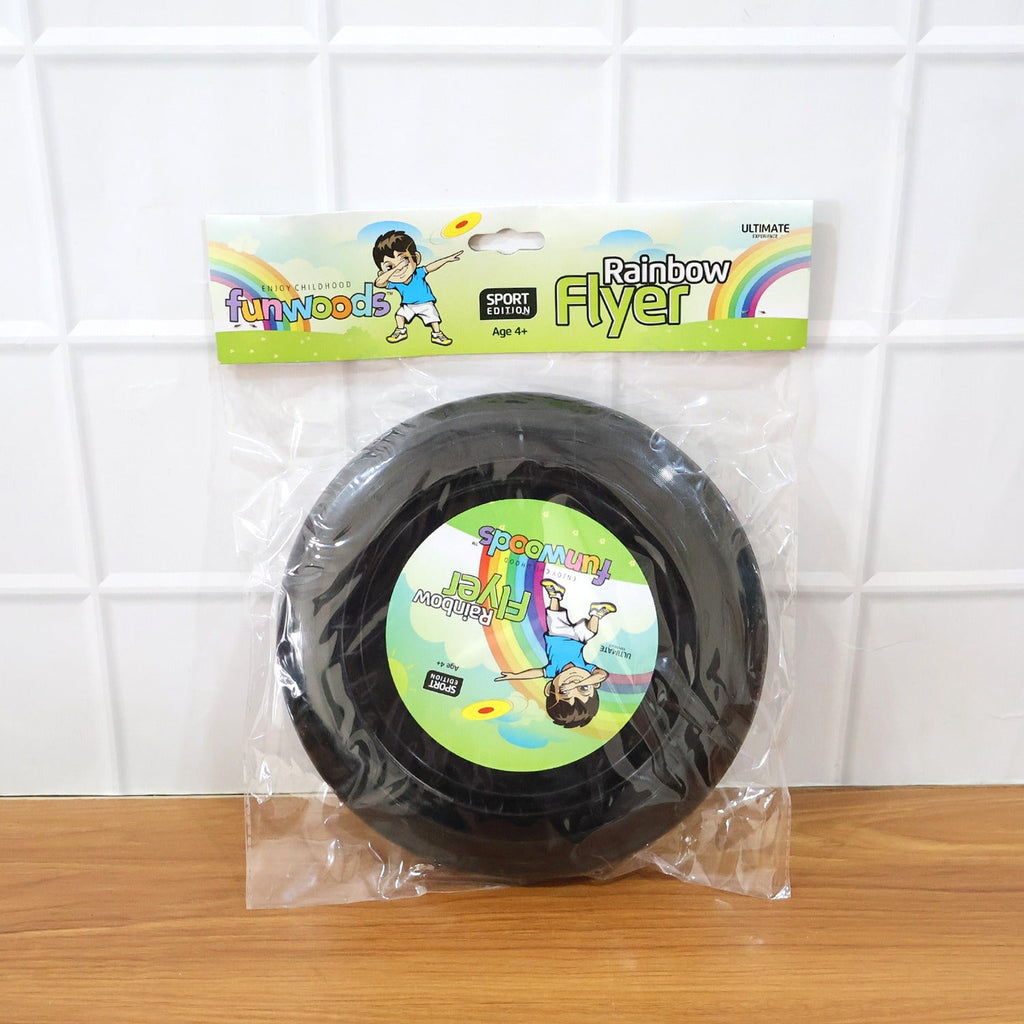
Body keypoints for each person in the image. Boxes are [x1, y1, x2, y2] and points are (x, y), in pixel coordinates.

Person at [495, 579, 617, 729]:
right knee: (591, 630)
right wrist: (579, 683)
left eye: (564, 691)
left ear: (549, 688)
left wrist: (515, 676)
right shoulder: (585, 669)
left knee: (555, 614)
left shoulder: (554, 670)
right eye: (584, 689)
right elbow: (602, 675)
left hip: (557, 634)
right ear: (594, 684)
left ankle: (555, 595)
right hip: (579, 639)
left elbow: (536, 673)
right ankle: (596, 614)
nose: (572, 683)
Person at [372, 230, 462, 346]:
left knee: (433, 319)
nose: (400, 268)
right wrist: (395, 269)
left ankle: (437, 334)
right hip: (408, 305)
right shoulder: (395, 283)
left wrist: (446, 259)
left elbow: (431, 267)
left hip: (425, 303)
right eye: (389, 267)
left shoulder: (418, 273)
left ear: (417, 258)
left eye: (404, 260)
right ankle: (401, 331)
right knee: (399, 316)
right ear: (382, 272)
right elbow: (378, 283)